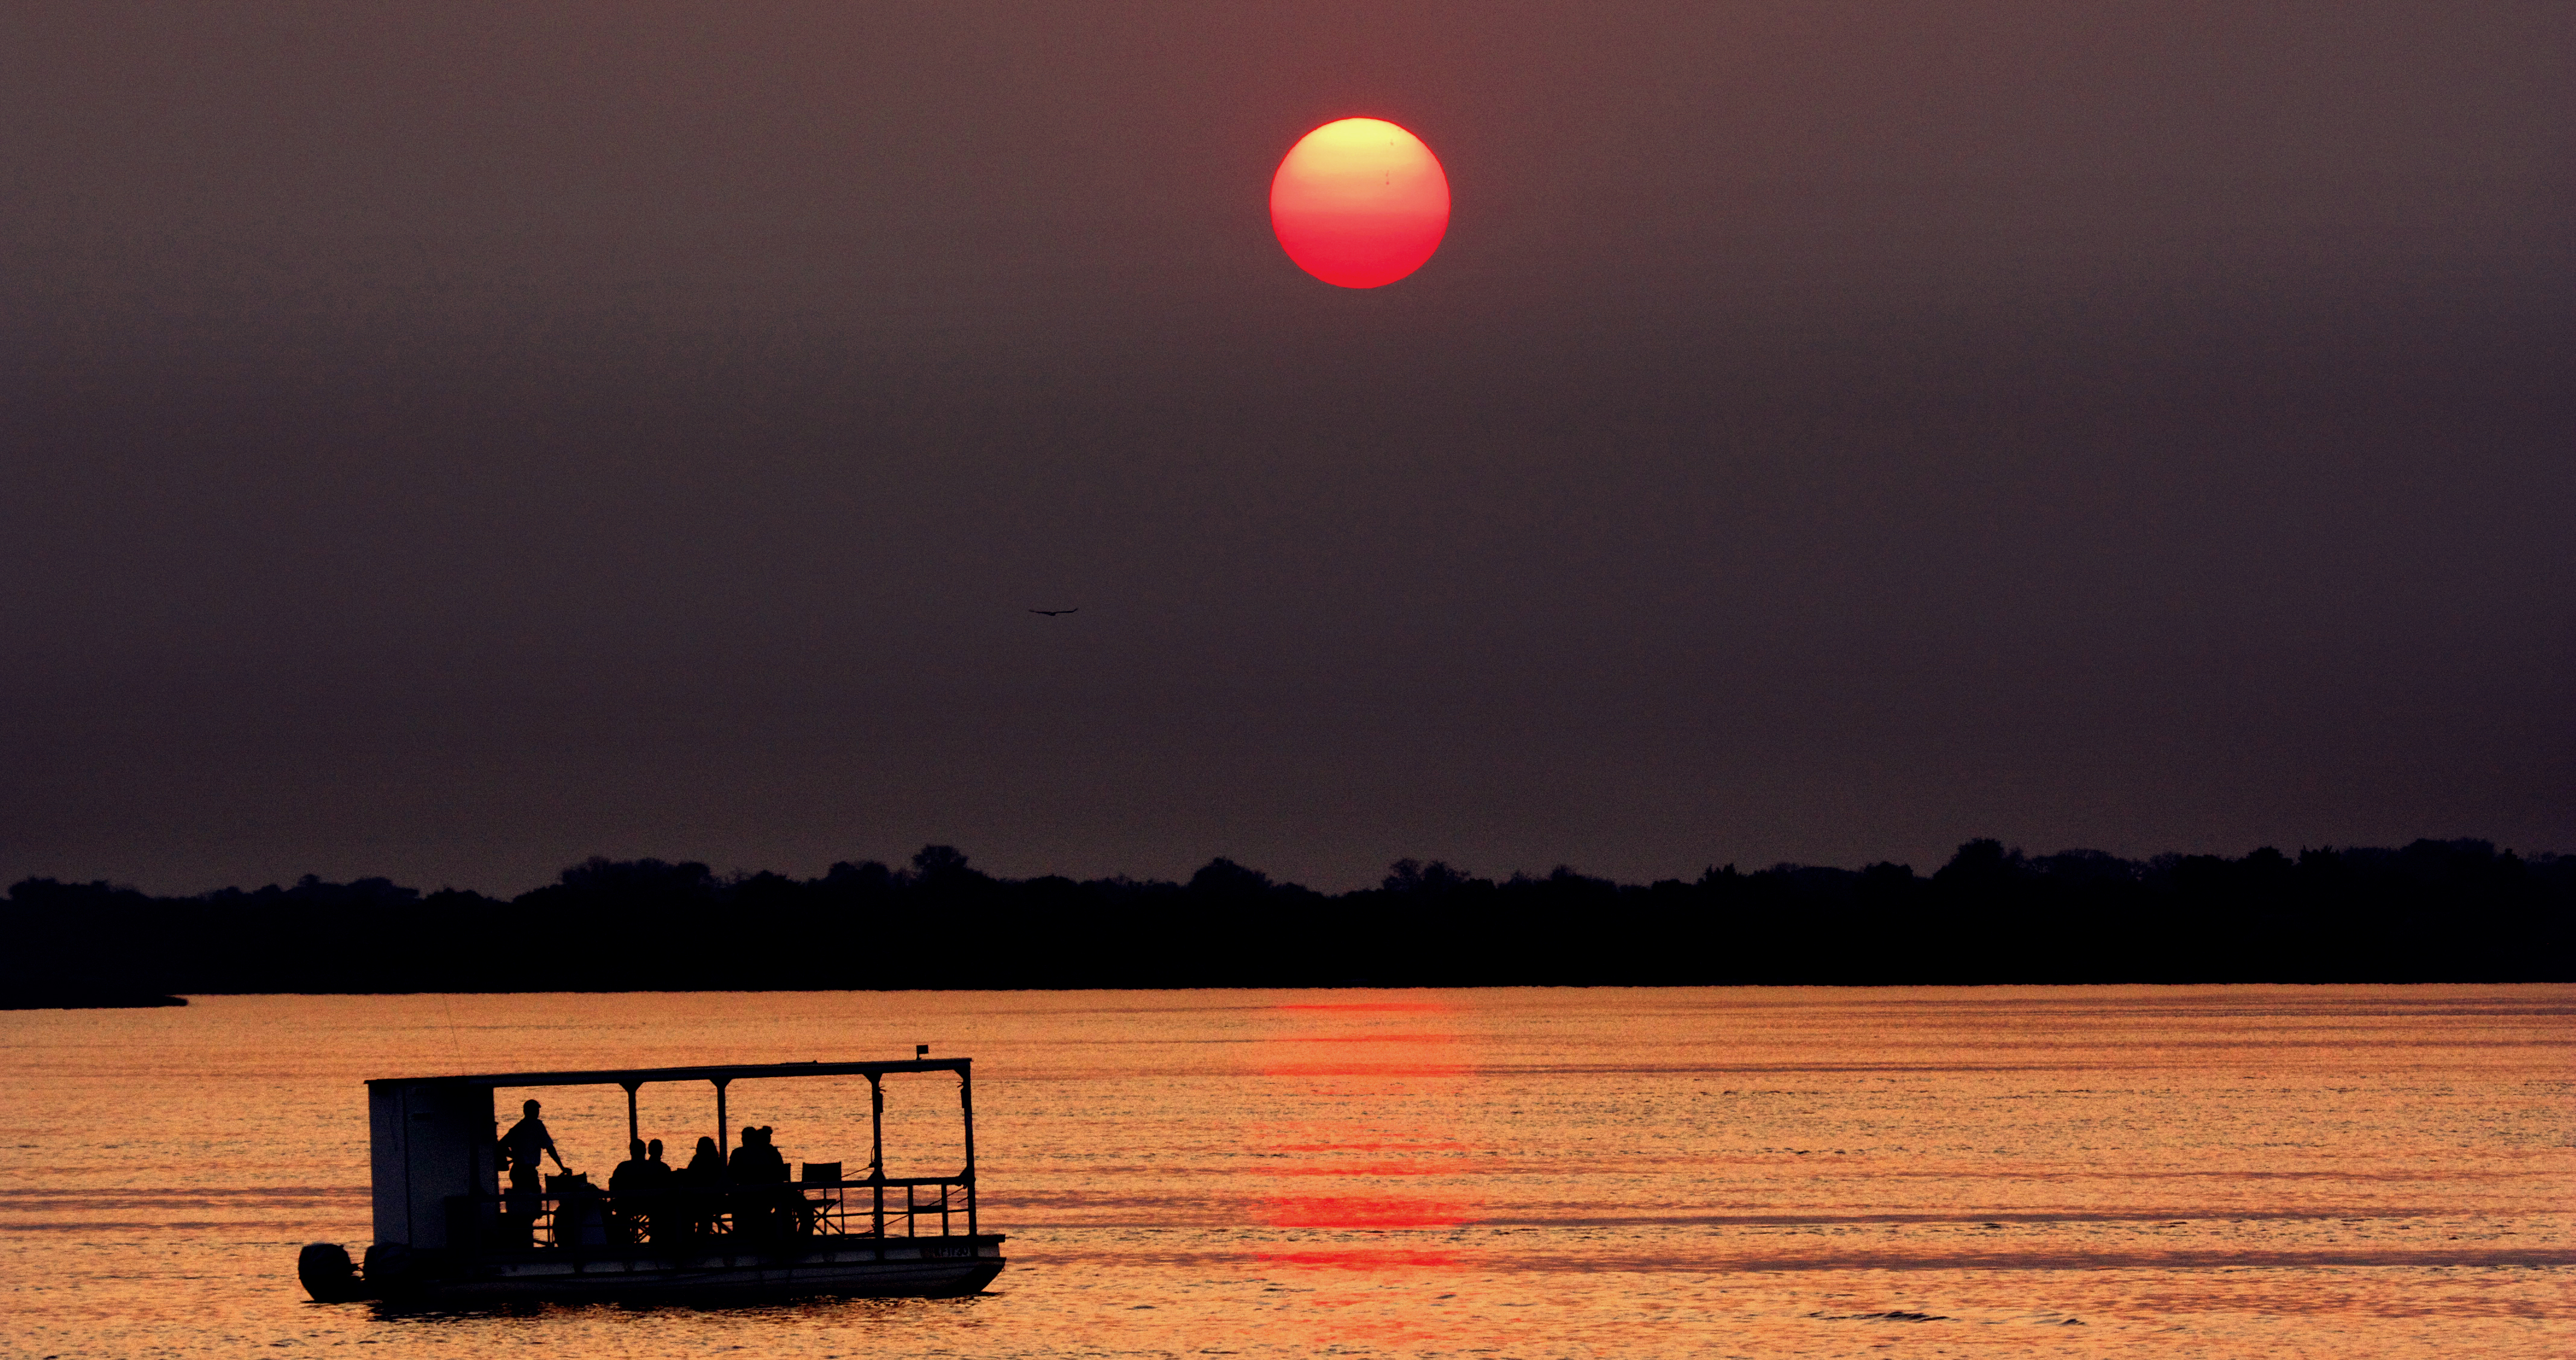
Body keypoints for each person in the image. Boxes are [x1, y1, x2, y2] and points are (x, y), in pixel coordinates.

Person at [497, 1099, 567, 1246]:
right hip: (528, 1172)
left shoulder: (518, 1127)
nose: (538, 1112)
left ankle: (524, 1238)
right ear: (532, 1111)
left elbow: (501, 1145)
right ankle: (526, 1239)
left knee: (522, 1207)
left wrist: (514, 1156)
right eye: (536, 1110)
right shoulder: (537, 1126)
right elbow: (550, 1148)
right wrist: (562, 1167)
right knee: (532, 1206)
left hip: (516, 1171)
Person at [608, 1139, 654, 1243]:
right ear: (645, 1151)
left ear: (631, 1152)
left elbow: (614, 1188)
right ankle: (655, 1237)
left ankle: (624, 1240)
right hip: (650, 1205)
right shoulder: (652, 1167)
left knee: (611, 1210)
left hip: (627, 1205)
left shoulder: (623, 1167)